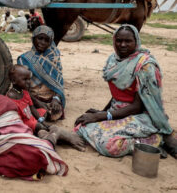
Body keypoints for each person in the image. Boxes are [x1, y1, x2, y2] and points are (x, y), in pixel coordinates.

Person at [75, 24, 177, 158]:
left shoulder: (145, 66)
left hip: (141, 116)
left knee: (109, 145)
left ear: (136, 42)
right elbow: (117, 95)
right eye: (119, 40)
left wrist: (102, 116)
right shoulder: (113, 60)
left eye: (128, 41)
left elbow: (137, 107)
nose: (122, 45)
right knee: (81, 127)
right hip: (117, 111)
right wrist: (103, 112)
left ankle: (153, 141)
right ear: (114, 41)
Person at [17, 26, 65, 121]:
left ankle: (42, 114)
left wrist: (56, 99)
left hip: (50, 98)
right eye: (40, 38)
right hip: (31, 97)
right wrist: (37, 102)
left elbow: (59, 84)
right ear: (33, 38)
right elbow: (21, 87)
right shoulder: (25, 59)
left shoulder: (54, 58)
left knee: (55, 111)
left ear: (50, 43)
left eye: (46, 40)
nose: (42, 42)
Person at [6, 65, 49, 134]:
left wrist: (41, 120)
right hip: (22, 122)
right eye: (25, 79)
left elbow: (32, 108)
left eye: (29, 79)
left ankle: (37, 127)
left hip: (30, 116)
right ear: (14, 81)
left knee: (43, 112)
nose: (29, 82)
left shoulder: (25, 92)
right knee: (38, 126)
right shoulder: (10, 97)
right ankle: (36, 129)